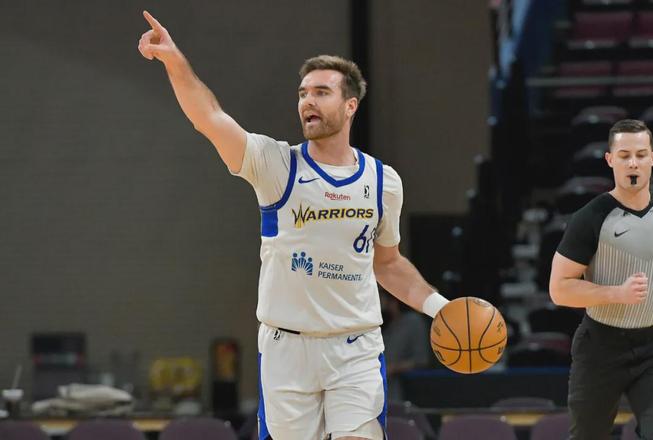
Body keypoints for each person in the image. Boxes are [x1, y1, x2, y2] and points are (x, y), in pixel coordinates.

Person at [137, 11, 450, 440]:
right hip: (287, 347)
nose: (307, 101)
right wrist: (174, 61)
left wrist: (441, 309)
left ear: (350, 105)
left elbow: (389, 263)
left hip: (355, 347)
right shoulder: (276, 164)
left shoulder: (383, 181)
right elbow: (208, 117)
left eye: (321, 92)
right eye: (303, 93)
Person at [549, 119, 653, 440]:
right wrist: (616, 294)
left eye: (640, 154)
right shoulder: (589, 218)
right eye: (624, 155)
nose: (633, 163)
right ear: (610, 160)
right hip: (600, 347)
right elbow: (559, 289)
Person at [380, 291, 429, 402]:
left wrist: (392, 368)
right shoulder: (385, 323)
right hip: (377, 387)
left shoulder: (412, 321)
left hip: (401, 390)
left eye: (382, 297)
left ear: (393, 300)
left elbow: (421, 360)